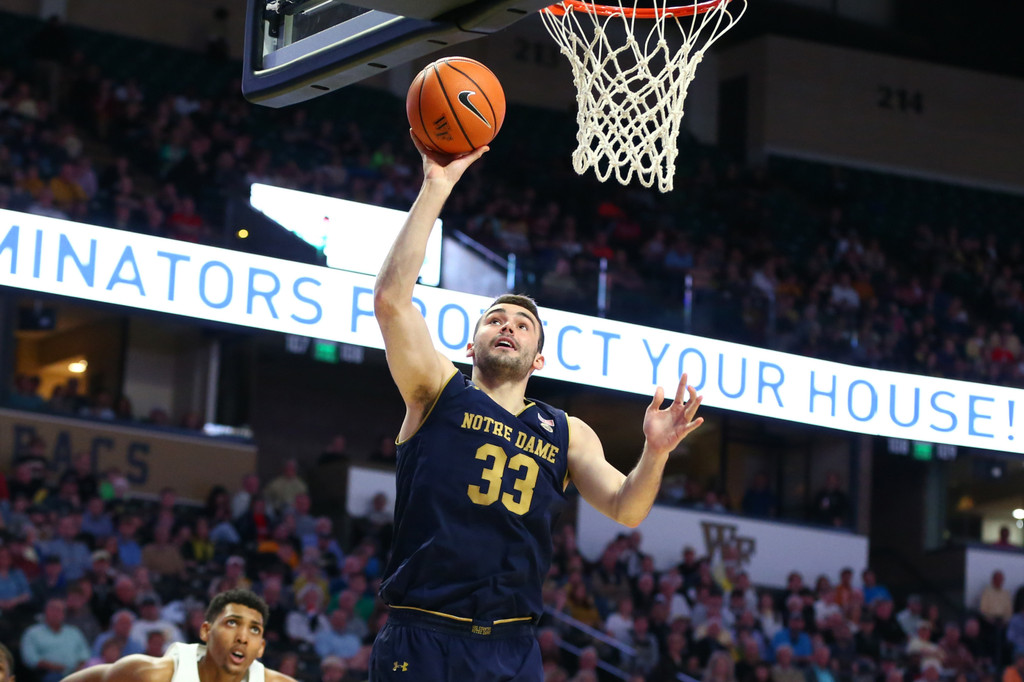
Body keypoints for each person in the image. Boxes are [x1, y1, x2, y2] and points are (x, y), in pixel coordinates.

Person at [369, 135, 705, 682]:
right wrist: (436, 186)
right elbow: (390, 300)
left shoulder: (566, 431)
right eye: (496, 319)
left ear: (538, 358)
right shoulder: (436, 390)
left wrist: (656, 450)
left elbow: (626, 507)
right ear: (470, 345)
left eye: (523, 325)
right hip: (423, 632)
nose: (508, 326)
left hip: (511, 644)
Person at [62, 589, 297, 682]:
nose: (242, 637)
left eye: (254, 629)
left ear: (261, 648)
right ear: (206, 631)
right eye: (232, 623)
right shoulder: (152, 674)